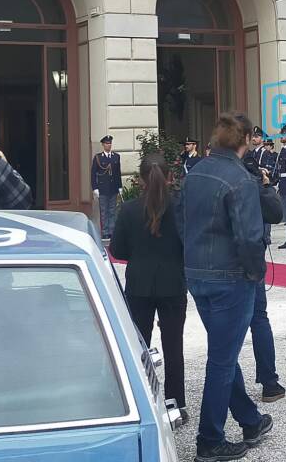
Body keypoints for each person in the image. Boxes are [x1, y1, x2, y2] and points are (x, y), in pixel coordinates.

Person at [181, 113, 272, 462]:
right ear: (246, 139)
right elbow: (249, 237)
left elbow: (181, 221)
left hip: (197, 274)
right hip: (230, 277)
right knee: (221, 359)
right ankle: (210, 439)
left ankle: (250, 420)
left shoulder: (196, 172)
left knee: (223, 350)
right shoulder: (241, 179)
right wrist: (255, 273)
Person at [110, 153, 187, 420]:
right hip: (173, 282)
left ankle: (141, 400)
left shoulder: (130, 209)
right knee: (173, 346)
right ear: (170, 177)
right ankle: (176, 403)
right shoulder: (179, 207)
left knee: (139, 346)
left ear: (140, 180)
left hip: (140, 283)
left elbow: (117, 249)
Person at [241, 149, 286, 403]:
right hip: (251, 260)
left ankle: (228, 384)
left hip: (227, 260)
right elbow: (275, 213)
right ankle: (269, 382)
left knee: (227, 326)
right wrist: (266, 186)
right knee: (259, 319)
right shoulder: (254, 185)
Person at [91, 134, 123, 240]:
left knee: (112, 210)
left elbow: (118, 173)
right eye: (106, 143)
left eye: (110, 143)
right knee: (104, 211)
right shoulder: (98, 158)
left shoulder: (116, 157)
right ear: (103, 145)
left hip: (113, 188)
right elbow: (93, 174)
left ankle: (111, 231)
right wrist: (95, 188)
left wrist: (120, 186)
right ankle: (105, 231)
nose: (108, 145)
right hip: (103, 188)